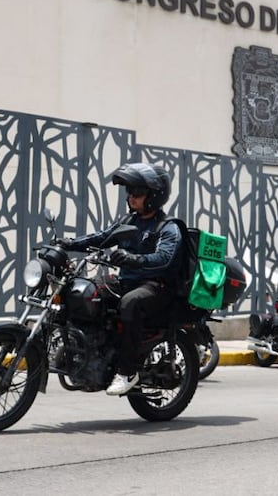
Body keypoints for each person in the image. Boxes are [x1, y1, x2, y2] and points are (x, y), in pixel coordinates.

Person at [62, 162, 183, 395]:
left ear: (154, 196)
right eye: (129, 192)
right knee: (84, 292)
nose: (131, 197)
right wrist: (70, 244)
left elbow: (164, 257)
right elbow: (103, 237)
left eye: (137, 192)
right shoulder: (129, 221)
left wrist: (134, 259)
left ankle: (128, 371)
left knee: (131, 303)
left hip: (155, 285)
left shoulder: (168, 227)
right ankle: (85, 349)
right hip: (127, 281)